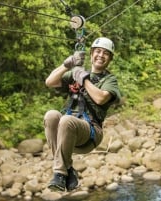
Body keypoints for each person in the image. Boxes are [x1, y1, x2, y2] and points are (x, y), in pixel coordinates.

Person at [44, 37, 121, 191]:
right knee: (51, 115)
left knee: (66, 120)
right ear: (91, 54)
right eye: (98, 51)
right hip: (66, 132)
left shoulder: (110, 80)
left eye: (106, 53)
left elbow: (100, 98)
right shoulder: (76, 72)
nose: (101, 55)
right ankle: (68, 169)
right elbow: (50, 82)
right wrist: (67, 65)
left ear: (110, 59)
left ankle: (59, 174)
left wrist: (83, 79)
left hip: (91, 132)